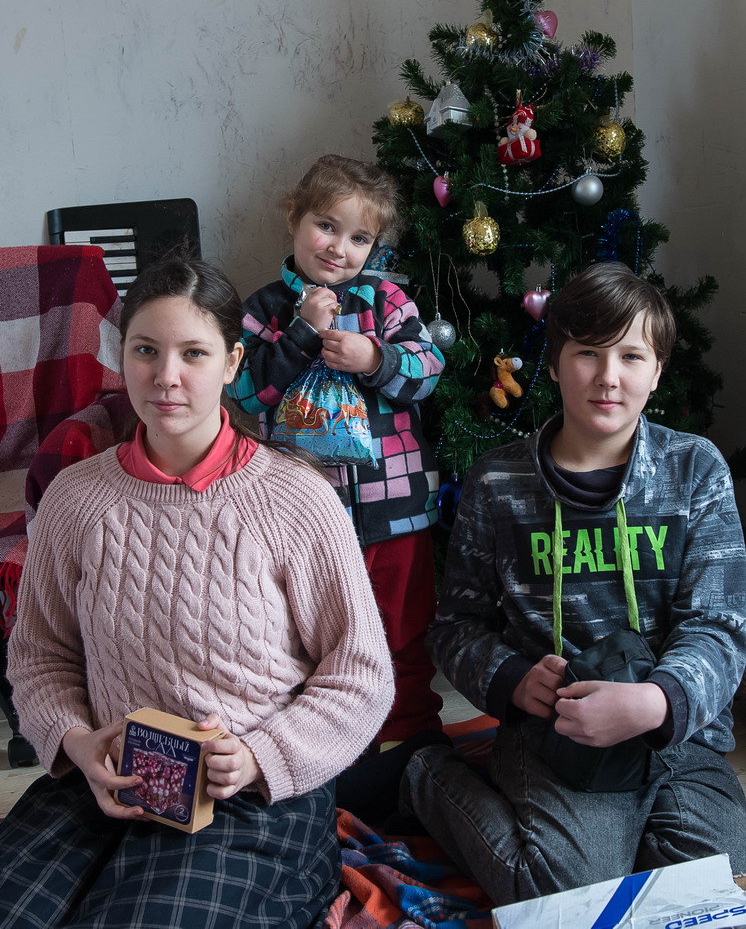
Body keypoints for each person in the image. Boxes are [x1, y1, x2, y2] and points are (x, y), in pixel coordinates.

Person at [0, 257, 394, 929]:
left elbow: (361, 675)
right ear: (122, 357)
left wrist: (260, 758)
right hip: (108, 779)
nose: (166, 376)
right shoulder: (76, 498)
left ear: (233, 362)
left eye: (193, 353)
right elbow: (40, 655)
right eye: (145, 350)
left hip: (252, 795)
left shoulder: (296, 501)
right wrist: (75, 742)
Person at [400, 261, 746, 904]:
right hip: (555, 735)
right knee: (569, 895)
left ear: (657, 371)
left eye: (631, 356)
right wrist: (512, 679)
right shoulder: (497, 482)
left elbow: (720, 625)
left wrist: (658, 701)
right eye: (588, 353)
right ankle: (426, 775)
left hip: (679, 735)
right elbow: (455, 627)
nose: (609, 376)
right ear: (556, 364)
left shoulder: (695, 469)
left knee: (712, 891)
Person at [229, 154, 444, 748]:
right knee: (318, 638)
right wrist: (299, 333)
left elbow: (427, 371)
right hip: (302, 516)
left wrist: (375, 358)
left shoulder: (386, 301)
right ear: (294, 218)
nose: (338, 248)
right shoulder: (264, 310)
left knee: (402, 628)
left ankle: (411, 740)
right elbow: (244, 392)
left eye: (359, 238)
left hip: (395, 506)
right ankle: (327, 747)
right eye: (326, 226)